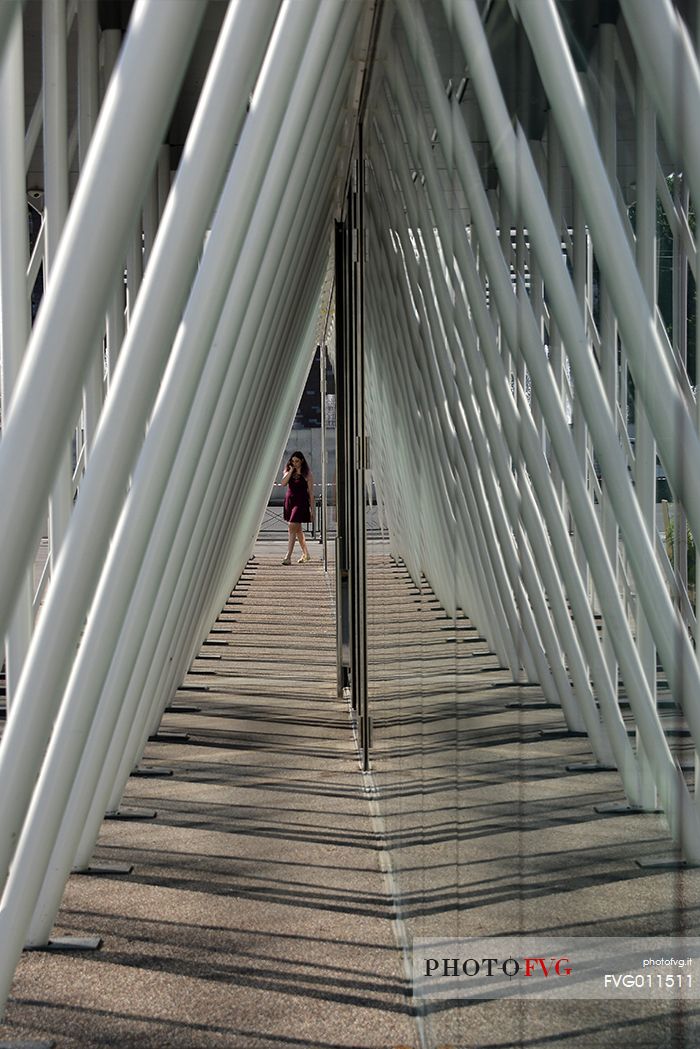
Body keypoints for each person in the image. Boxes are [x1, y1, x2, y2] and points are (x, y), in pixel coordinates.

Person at [281, 451, 314, 565]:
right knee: (298, 530)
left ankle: (288, 556)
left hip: (301, 503)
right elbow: (283, 483)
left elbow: (311, 493)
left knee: (292, 525)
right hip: (290, 501)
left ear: (302, 461)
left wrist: (312, 510)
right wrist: (290, 470)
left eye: (297, 461)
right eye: (293, 461)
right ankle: (306, 554)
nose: (295, 463)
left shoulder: (307, 474)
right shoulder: (289, 471)